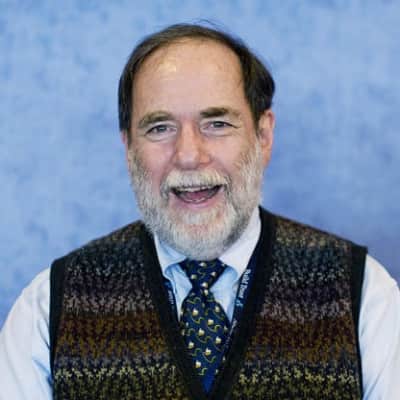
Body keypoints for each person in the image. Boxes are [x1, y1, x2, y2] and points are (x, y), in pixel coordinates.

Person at [0, 23, 399, 400]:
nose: (189, 155)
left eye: (217, 124)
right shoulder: (49, 307)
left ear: (263, 136)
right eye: (159, 128)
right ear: (128, 148)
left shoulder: (362, 295)